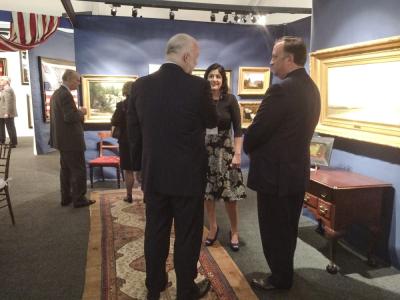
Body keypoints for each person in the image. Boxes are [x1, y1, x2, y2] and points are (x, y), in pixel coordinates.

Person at [127, 33, 218, 300]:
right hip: (188, 176)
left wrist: (138, 168)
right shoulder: (197, 86)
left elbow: (134, 132)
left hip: (154, 173)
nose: (196, 64)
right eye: (196, 58)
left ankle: (154, 285)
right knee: (187, 235)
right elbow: (211, 120)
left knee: (155, 230)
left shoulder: (140, 86)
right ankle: (185, 291)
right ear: (186, 56)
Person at [243, 36, 321, 290]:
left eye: (275, 57)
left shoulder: (281, 89)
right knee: (287, 229)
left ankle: (279, 279)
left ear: (289, 59)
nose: (270, 62)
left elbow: (256, 132)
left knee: (274, 231)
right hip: (296, 172)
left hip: (274, 176)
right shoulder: (312, 88)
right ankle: (284, 273)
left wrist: (248, 146)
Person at [203, 63, 246, 252]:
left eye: (218, 76)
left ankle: (234, 231)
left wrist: (237, 155)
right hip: (205, 151)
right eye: (211, 76)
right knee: (208, 193)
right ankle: (213, 226)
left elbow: (238, 129)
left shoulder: (230, 99)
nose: (214, 79)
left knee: (230, 195)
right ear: (206, 78)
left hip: (226, 151)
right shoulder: (201, 99)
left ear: (223, 80)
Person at [49, 69, 95, 208]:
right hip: (71, 141)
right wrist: (81, 112)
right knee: (78, 170)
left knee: (66, 170)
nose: (79, 83)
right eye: (77, 80)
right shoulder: (65, 95)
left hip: (62, 140)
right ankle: (79, 199)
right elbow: (70, 117)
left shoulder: (57, 93)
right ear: (68, 79)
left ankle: (66, 197)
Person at [111, 81, 139, 203]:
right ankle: (147, 197)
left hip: (125, 141)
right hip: (140, 140)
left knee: (128, 170)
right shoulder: (141, 104)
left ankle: (129, 196)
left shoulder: (121, 105)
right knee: (143, 169)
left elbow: (114, 121)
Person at [0, 76, 18, 147]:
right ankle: (2, 140)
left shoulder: (8, 89)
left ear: (6, 82)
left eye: (2, 80)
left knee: (10, 127)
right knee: (1, 127)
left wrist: (7, 112)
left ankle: (13, 142)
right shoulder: (3, 89)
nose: (0, 81)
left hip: (6, 112)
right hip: (1, 112)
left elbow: (8, 102)